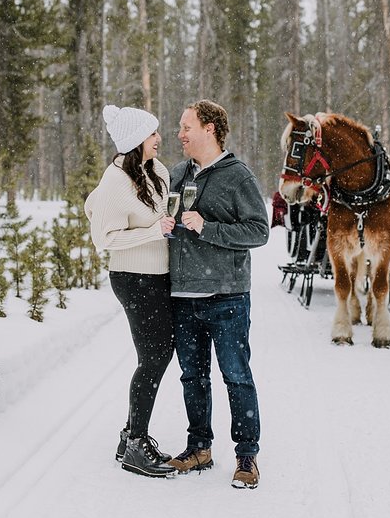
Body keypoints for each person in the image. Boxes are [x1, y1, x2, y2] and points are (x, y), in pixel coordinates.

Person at [166, 99, 270, 489]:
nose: (180, 134)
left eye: (186, 126)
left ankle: (247, 455)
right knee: (192, 376)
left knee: (236, 376)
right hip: (182, 295)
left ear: (210, 128)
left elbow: (259, 231)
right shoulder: (178, 174)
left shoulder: (238, 176)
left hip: (226, 297)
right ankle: (199, 448)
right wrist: (166, 224)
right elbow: (175, 219)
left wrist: (208, 227)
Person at [85, 105, 178, 479]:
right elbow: (103, 239)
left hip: (158, 275)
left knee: (158, 352)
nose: (159, 139)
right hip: (132, 278)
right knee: (154, 356)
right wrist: (153, 232)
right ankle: (135, 442)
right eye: (152, 134)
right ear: (136, 140)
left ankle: (130, 438)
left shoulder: (157, 170)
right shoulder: (115, 181)